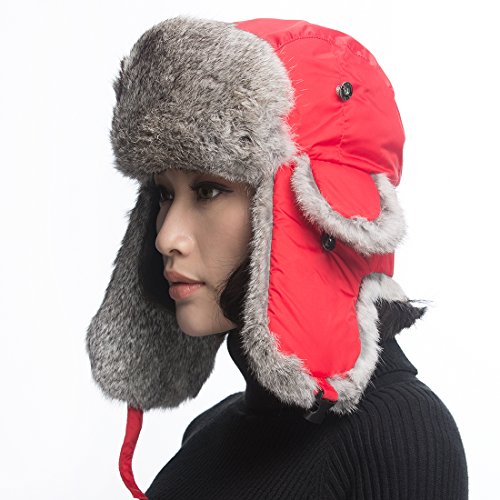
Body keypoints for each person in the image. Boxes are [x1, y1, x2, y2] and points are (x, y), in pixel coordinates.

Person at [86, 15, 469, 499]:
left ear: (305, 213)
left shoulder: (401, 431)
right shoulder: (210, 430)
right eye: (164, 194)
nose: (166, 237)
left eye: (207, 190)